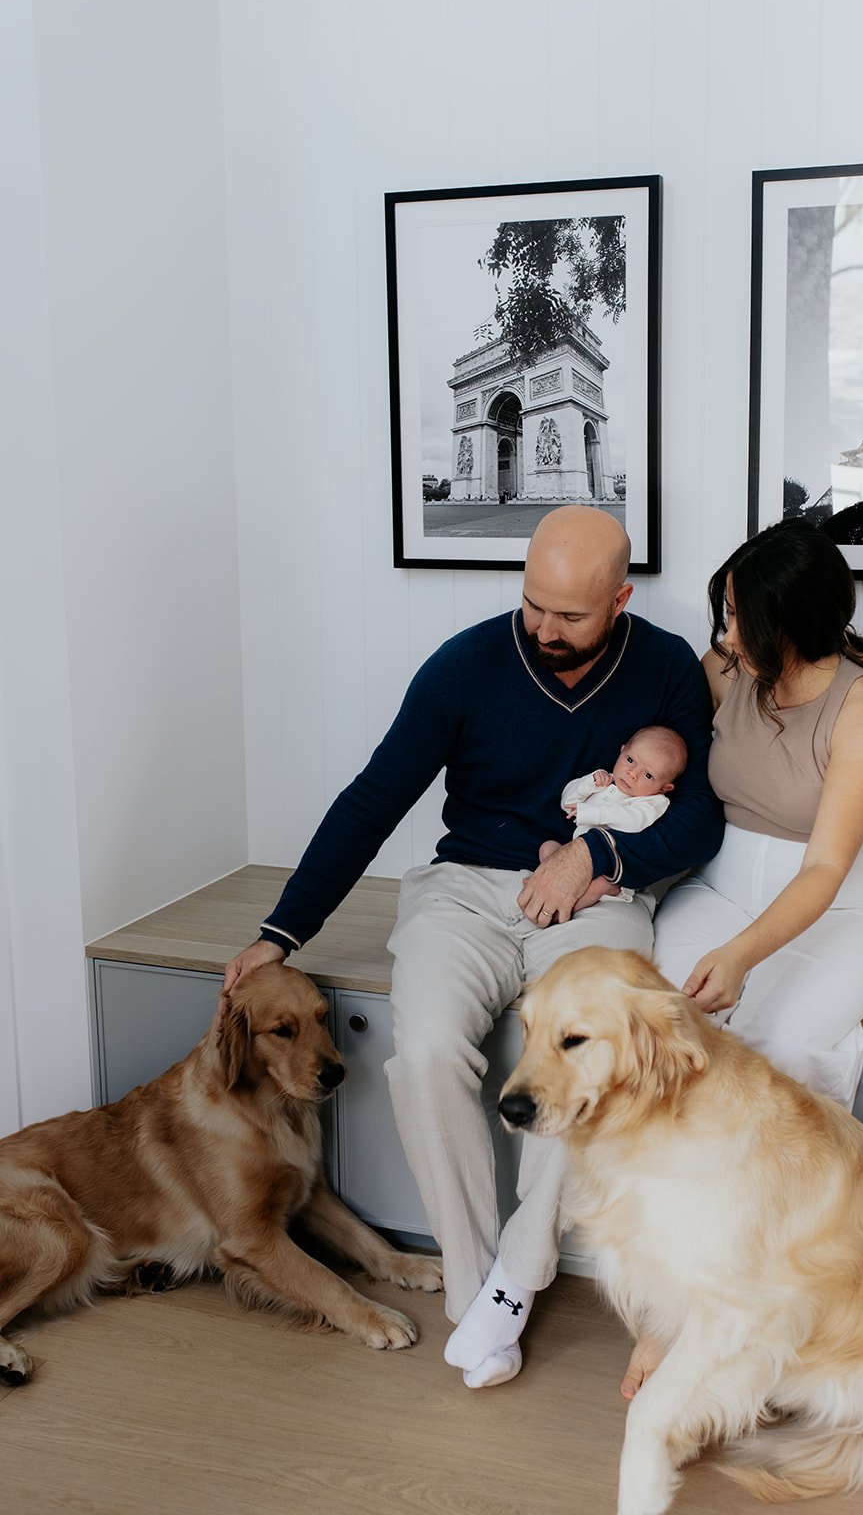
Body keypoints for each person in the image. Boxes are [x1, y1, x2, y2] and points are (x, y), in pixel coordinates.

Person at [222, 506, 725, 1390]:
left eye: (570, 615)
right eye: (533, 604)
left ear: (619, 598)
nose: (544, 629)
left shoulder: (665, 667)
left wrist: (596, 853)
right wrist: (280, 933)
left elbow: (697, 819)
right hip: (463, 890)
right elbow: (373, 797)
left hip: (594, 900)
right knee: (421, 1055)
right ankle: (473, 1281)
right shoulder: (465, 663)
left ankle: (515, 1281)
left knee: (588, 1063)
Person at [619, 519, 863, 1403]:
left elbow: (824, 869)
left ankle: (764, 1301)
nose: (723, 635)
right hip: (721, 884)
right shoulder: (727, 672)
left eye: (738, 618)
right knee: (668, 1039)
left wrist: (740, 955)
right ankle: (681, 1294)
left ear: (791, 624)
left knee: (780, 1055)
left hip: (838, 910)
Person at [539, 725, 689, 908]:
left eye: (648, 775)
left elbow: (632, 821)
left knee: (598, 883)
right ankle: (545, 885)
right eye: (630, 760)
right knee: (548, 849)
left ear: (664, 788)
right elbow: (567, 803)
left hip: (609, 866)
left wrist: (591, 813)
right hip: (575, 856)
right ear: (622, 750)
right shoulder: (606, 781)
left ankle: (593, 895)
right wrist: (589, 784)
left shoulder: (652, 802)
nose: (632, 774)